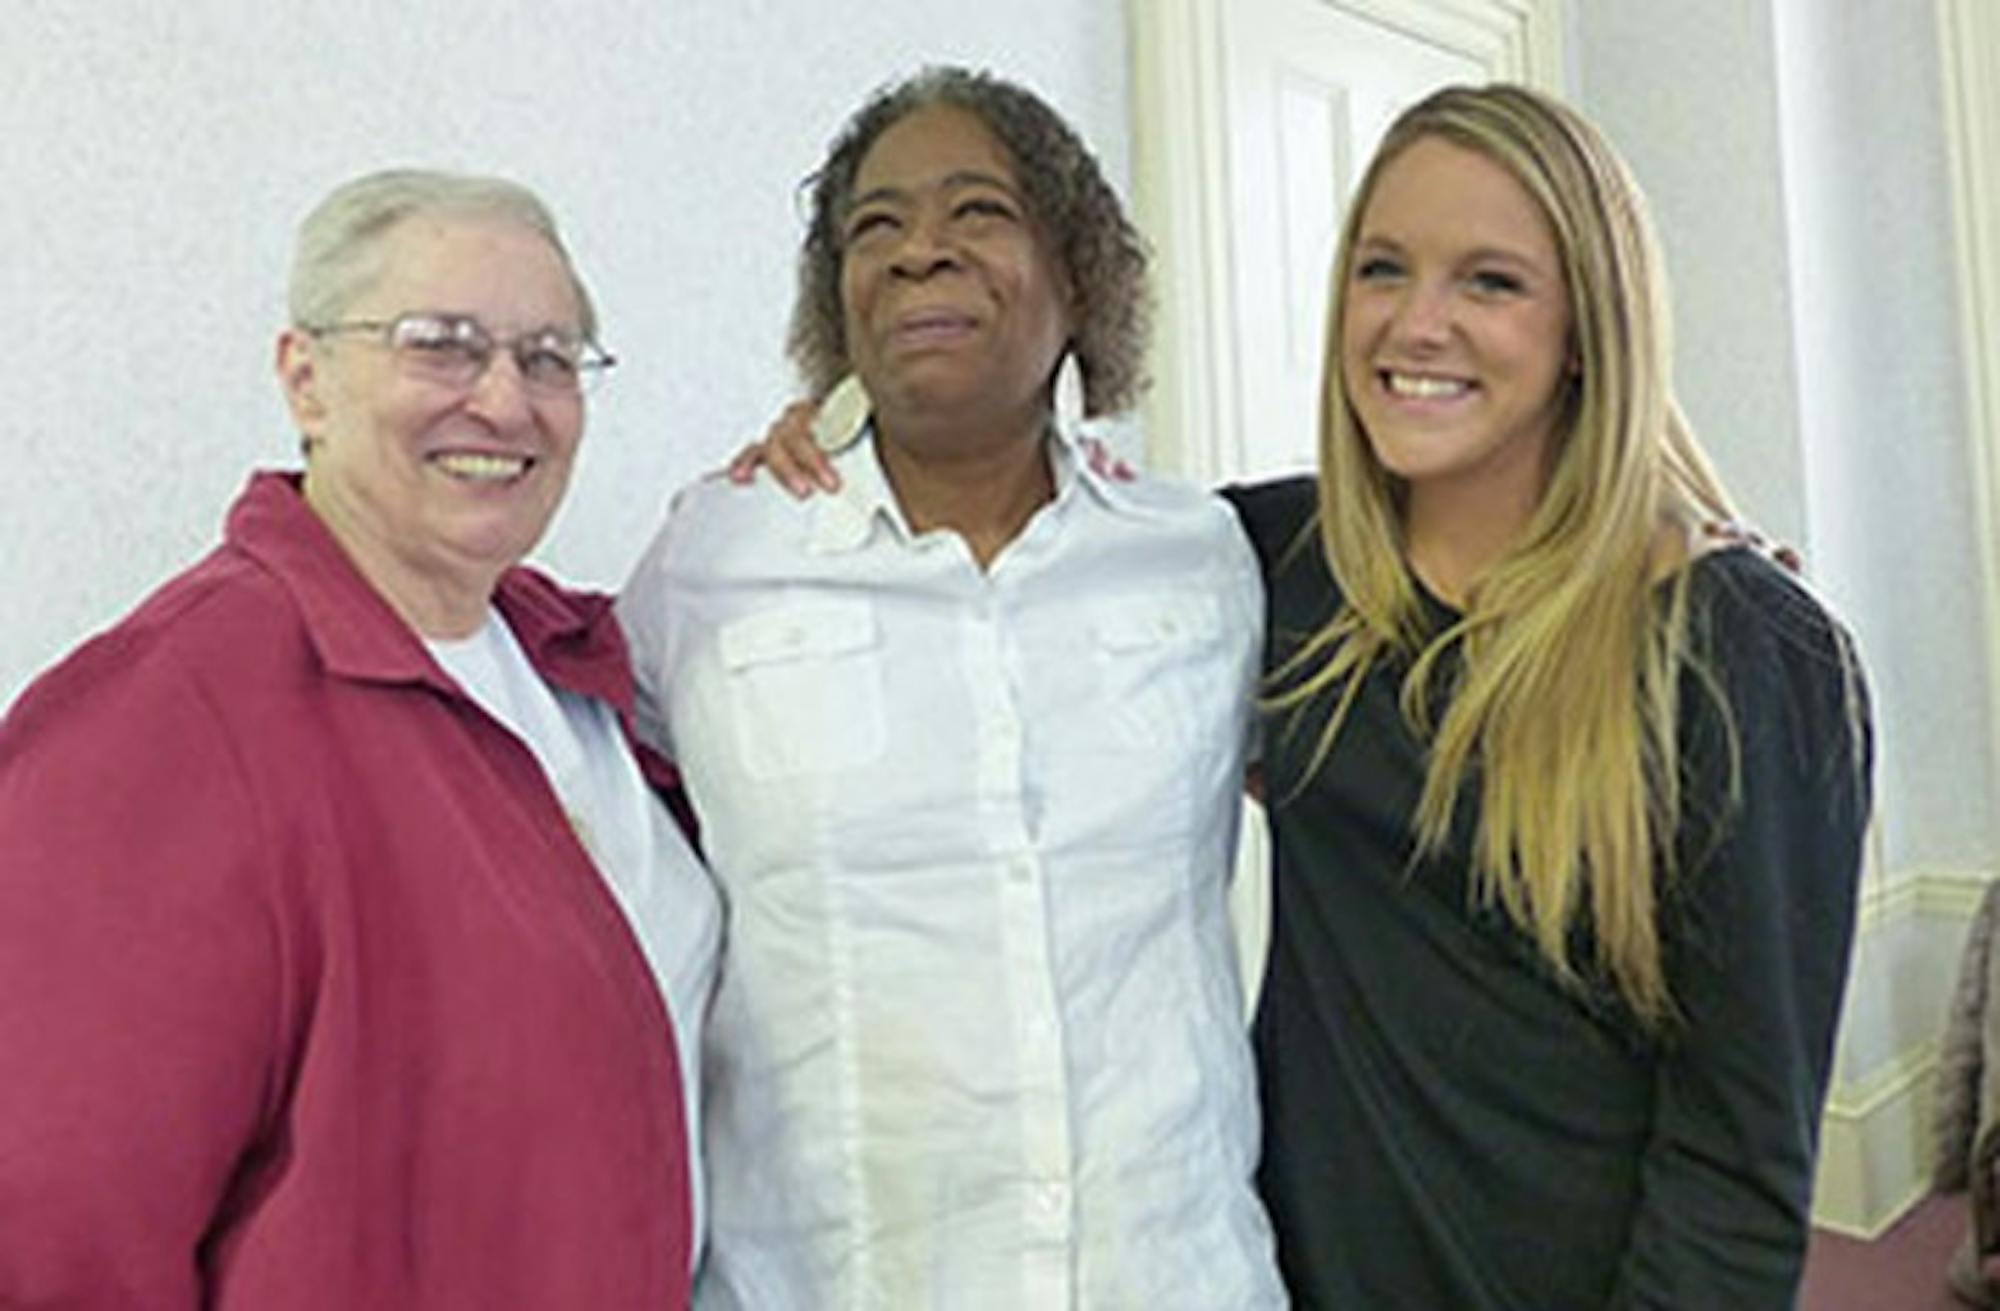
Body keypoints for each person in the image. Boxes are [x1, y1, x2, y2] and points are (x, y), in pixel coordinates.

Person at [745, 82, 1873, 1309]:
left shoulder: (1744, 654)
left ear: (1588, 329)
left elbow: (1741, 1161)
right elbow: (1033, 563)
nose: (1416, 324)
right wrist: (826, 439)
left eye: (1488, 282)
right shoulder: (1269, 566)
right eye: (1382, 270)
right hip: (1292, 1277)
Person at [618, 67, 1285, 1308]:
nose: (919, 251)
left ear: (1076, 275)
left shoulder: (1201, 561)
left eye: (978, 211)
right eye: (874, 226)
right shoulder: (714, 560)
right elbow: (593, 811)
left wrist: (1681, 528)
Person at [0, 169, 719, 1309]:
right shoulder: (168, 717)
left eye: (548, 356)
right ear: (307, 379)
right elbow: (51, 1231)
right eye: (441, 345)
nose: (502, 400)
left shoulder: (570, 668)